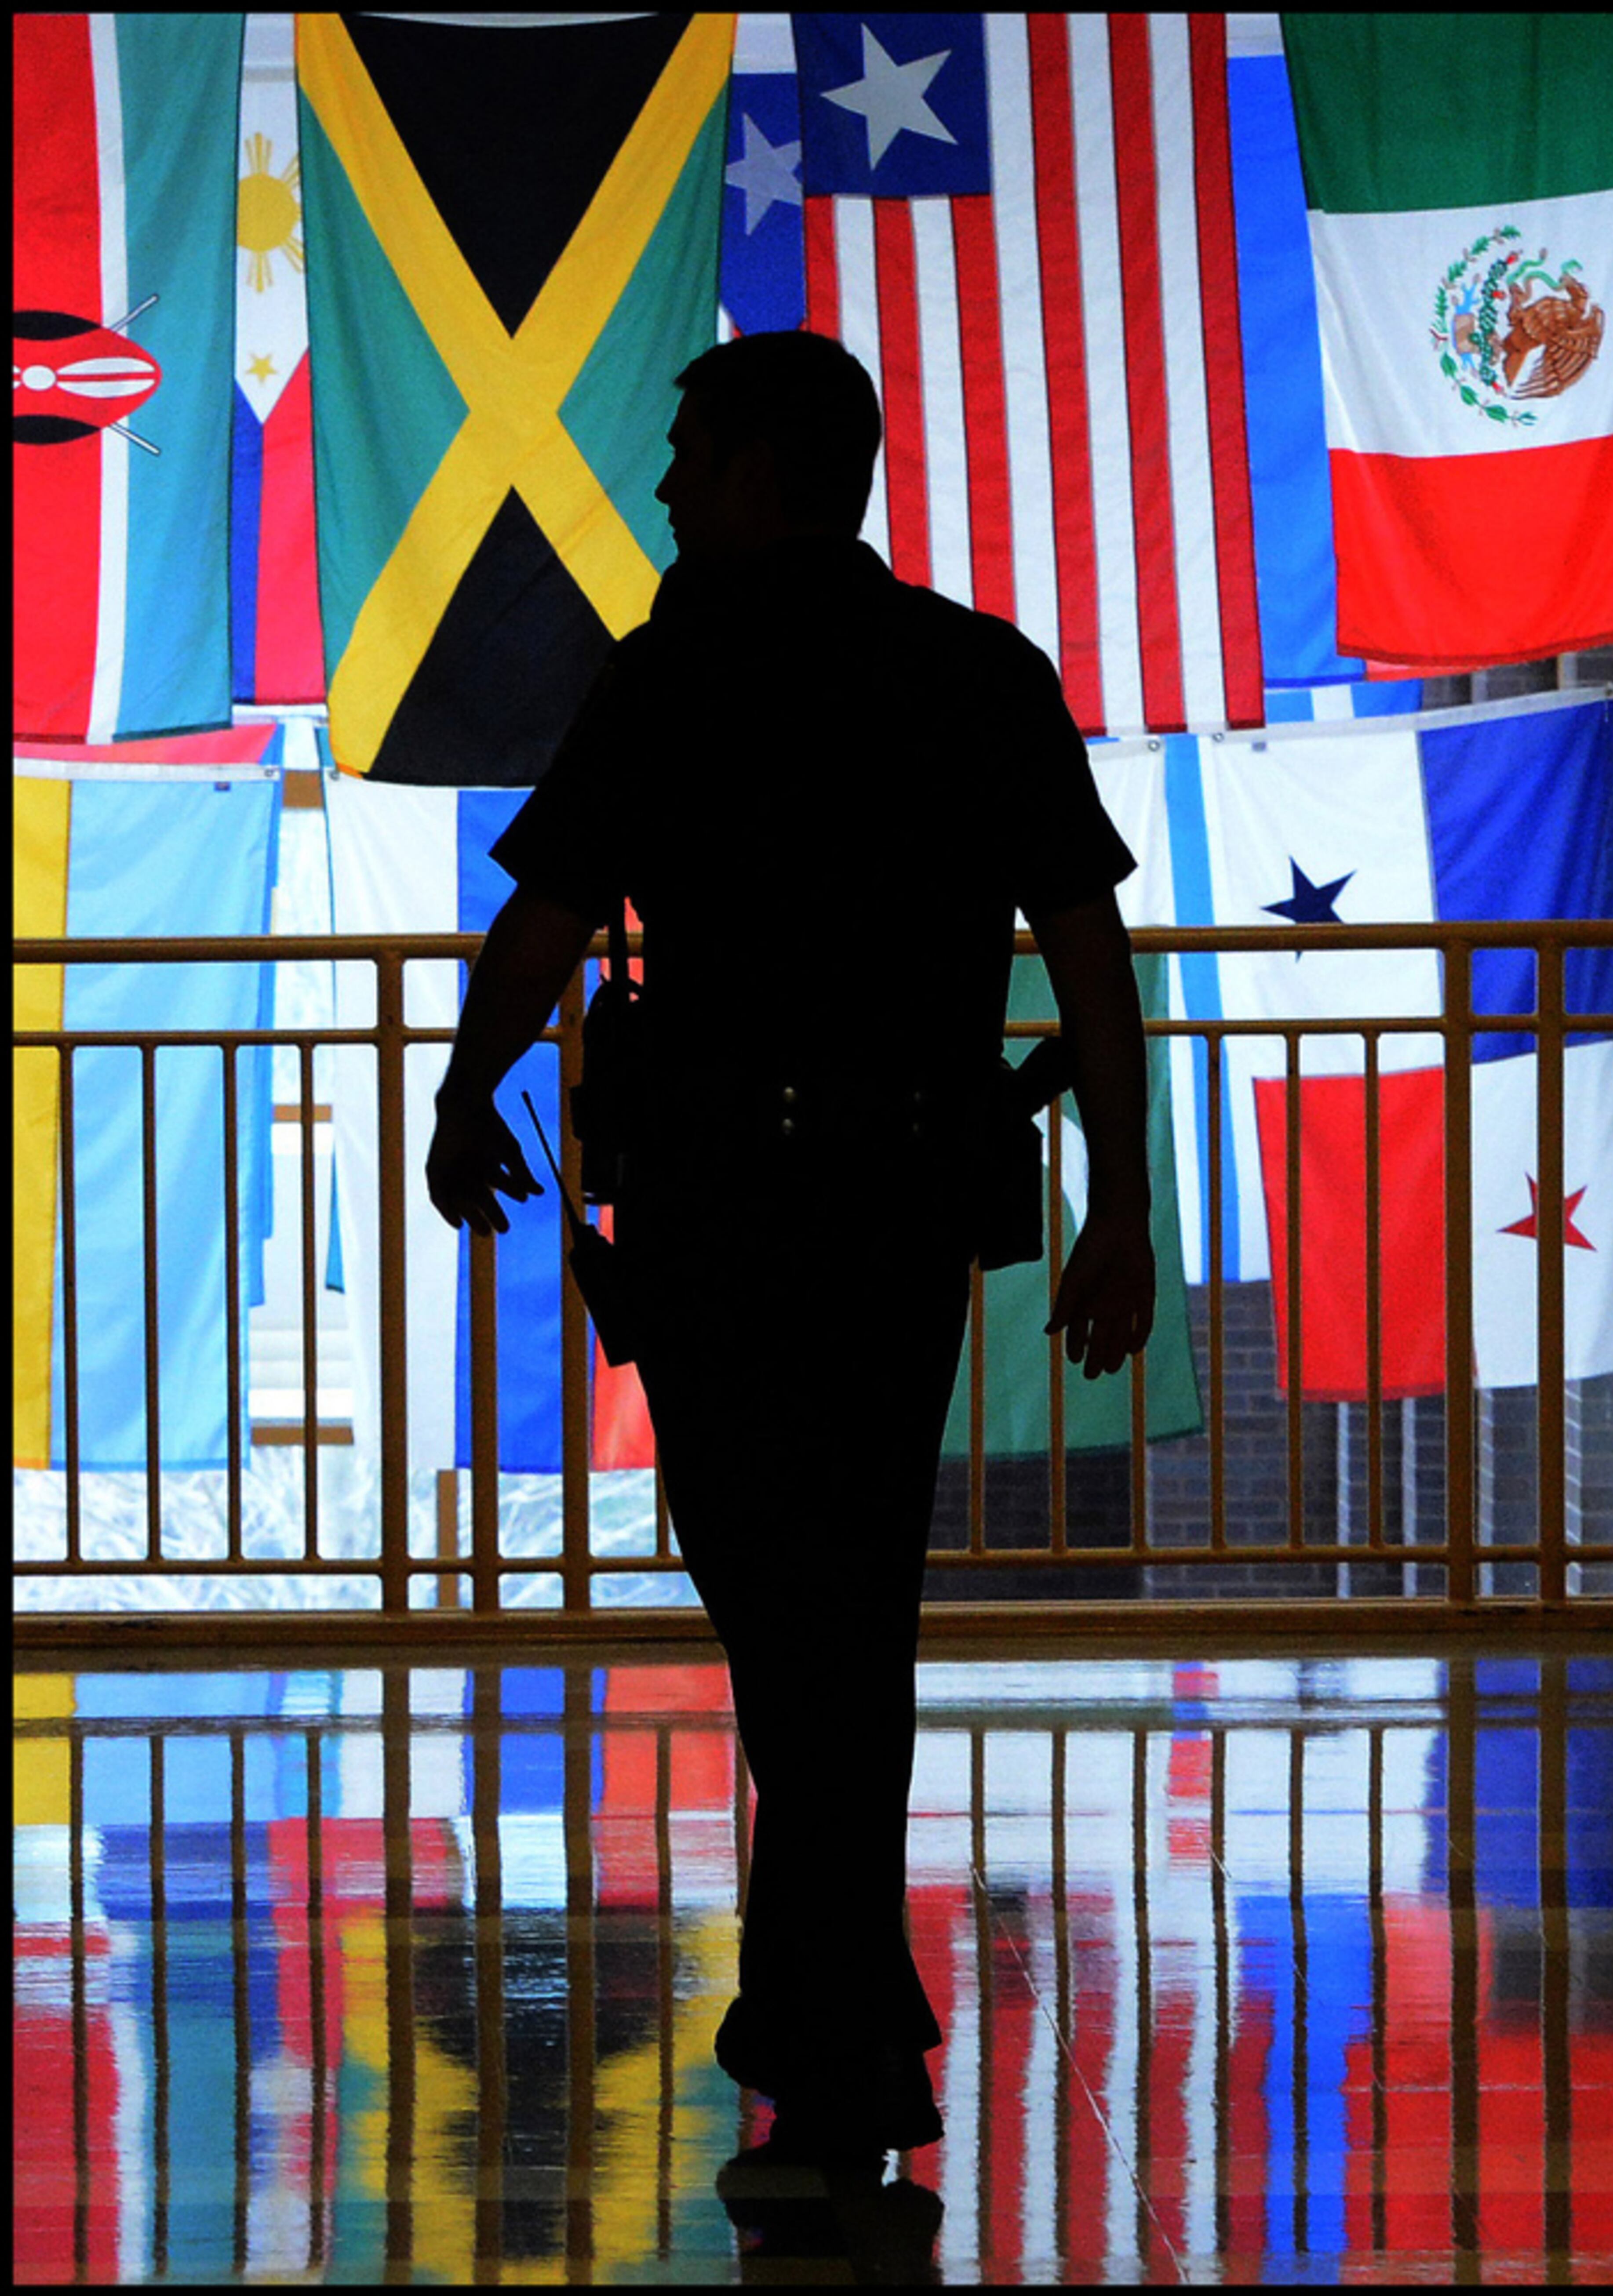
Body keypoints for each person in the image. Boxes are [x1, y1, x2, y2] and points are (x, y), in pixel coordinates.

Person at [425, 330, 1155, 2165]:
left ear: (761, 475)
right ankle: (834, 2013)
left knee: (788, 1615)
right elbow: (1086, 952)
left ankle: (831, 2026)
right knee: (848, 1610)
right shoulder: (982, 676)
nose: (664, 491)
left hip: (723, 1213)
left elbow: (549, 921)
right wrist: (1125, 1203)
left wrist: (464, 1090)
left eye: (686, 460)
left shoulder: (675, 678)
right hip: (903, 1210)